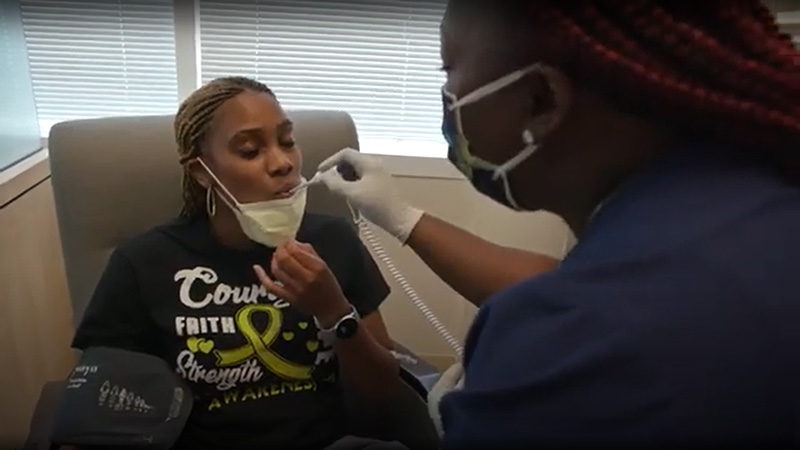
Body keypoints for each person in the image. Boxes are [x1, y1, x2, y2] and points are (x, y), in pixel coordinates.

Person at [316, 0, 800, 447]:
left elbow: (579, 307)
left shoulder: (567, 344)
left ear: (542, 99)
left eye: (450, 69)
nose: (447, 98)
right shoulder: (748, 205)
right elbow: (578, 283)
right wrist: (402, 218)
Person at [71, 76, 405, 450]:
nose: (283, 163)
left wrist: (336, 314)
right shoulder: (142, 262)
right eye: (249, 150)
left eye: (288, 141)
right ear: (201, 172)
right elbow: (101, 405)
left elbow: (382, 391)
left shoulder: (334, 241)